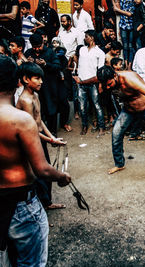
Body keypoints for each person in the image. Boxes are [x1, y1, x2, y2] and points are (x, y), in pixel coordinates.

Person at [0, 55, 71, 266]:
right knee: (30, 262)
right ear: (17, 81)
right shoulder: (20, 119)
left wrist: (50, 138)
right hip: (20, 201)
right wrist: (62, 176)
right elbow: (42, 169)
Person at [96, 65, 145, 174]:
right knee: (116, 132)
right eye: (106, 85)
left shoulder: (129, 78)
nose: (108, 87)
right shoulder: (105, 80)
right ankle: (119, 164)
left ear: (115, 75)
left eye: (110, 84)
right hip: (129, 110)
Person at [15, 62, 67, 210]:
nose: (41, 82)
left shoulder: (35, 95)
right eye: (37, 78)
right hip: (31, 141)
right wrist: (51, 140)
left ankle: (47, 203)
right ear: (26, 79)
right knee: (39, 175)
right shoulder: (25, 100)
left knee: (46, 172)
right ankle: (42, 207)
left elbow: (40, 122)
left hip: (39, 138)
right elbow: (31, 130)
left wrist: (52, 137)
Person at [24, 34, 62, 136]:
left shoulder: (50, 52)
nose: (37, 49)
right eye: (34, 47)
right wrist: (28, 63)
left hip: (49, 86)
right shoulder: (28, 53)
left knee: (51, 109)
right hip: (35, 89)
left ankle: (52, 132)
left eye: (39, 46)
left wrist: (46, 64)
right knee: (38, 110)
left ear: (43, 43)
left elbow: (57, 66)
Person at [72, 30, 106, 136]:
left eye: (86, 36)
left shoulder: (100, 53)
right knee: (82, 107)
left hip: (93, 83)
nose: (84, 38)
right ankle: (84, 126)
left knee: (97, 106)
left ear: (92, 38)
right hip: (81, 83)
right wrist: (76, 72)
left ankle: (101, 127)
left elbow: (100, 72)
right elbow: (78, 61)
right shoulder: (82, 49)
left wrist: (100, 85)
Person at [113, 0, 135, 69]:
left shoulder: (133, 1)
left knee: (130, 46)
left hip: (131, 25)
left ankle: (129, 65)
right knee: (125, 46)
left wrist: (118, 10)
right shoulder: (122, 1)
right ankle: (125, 64)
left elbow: (130, 14)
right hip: (123, 25)